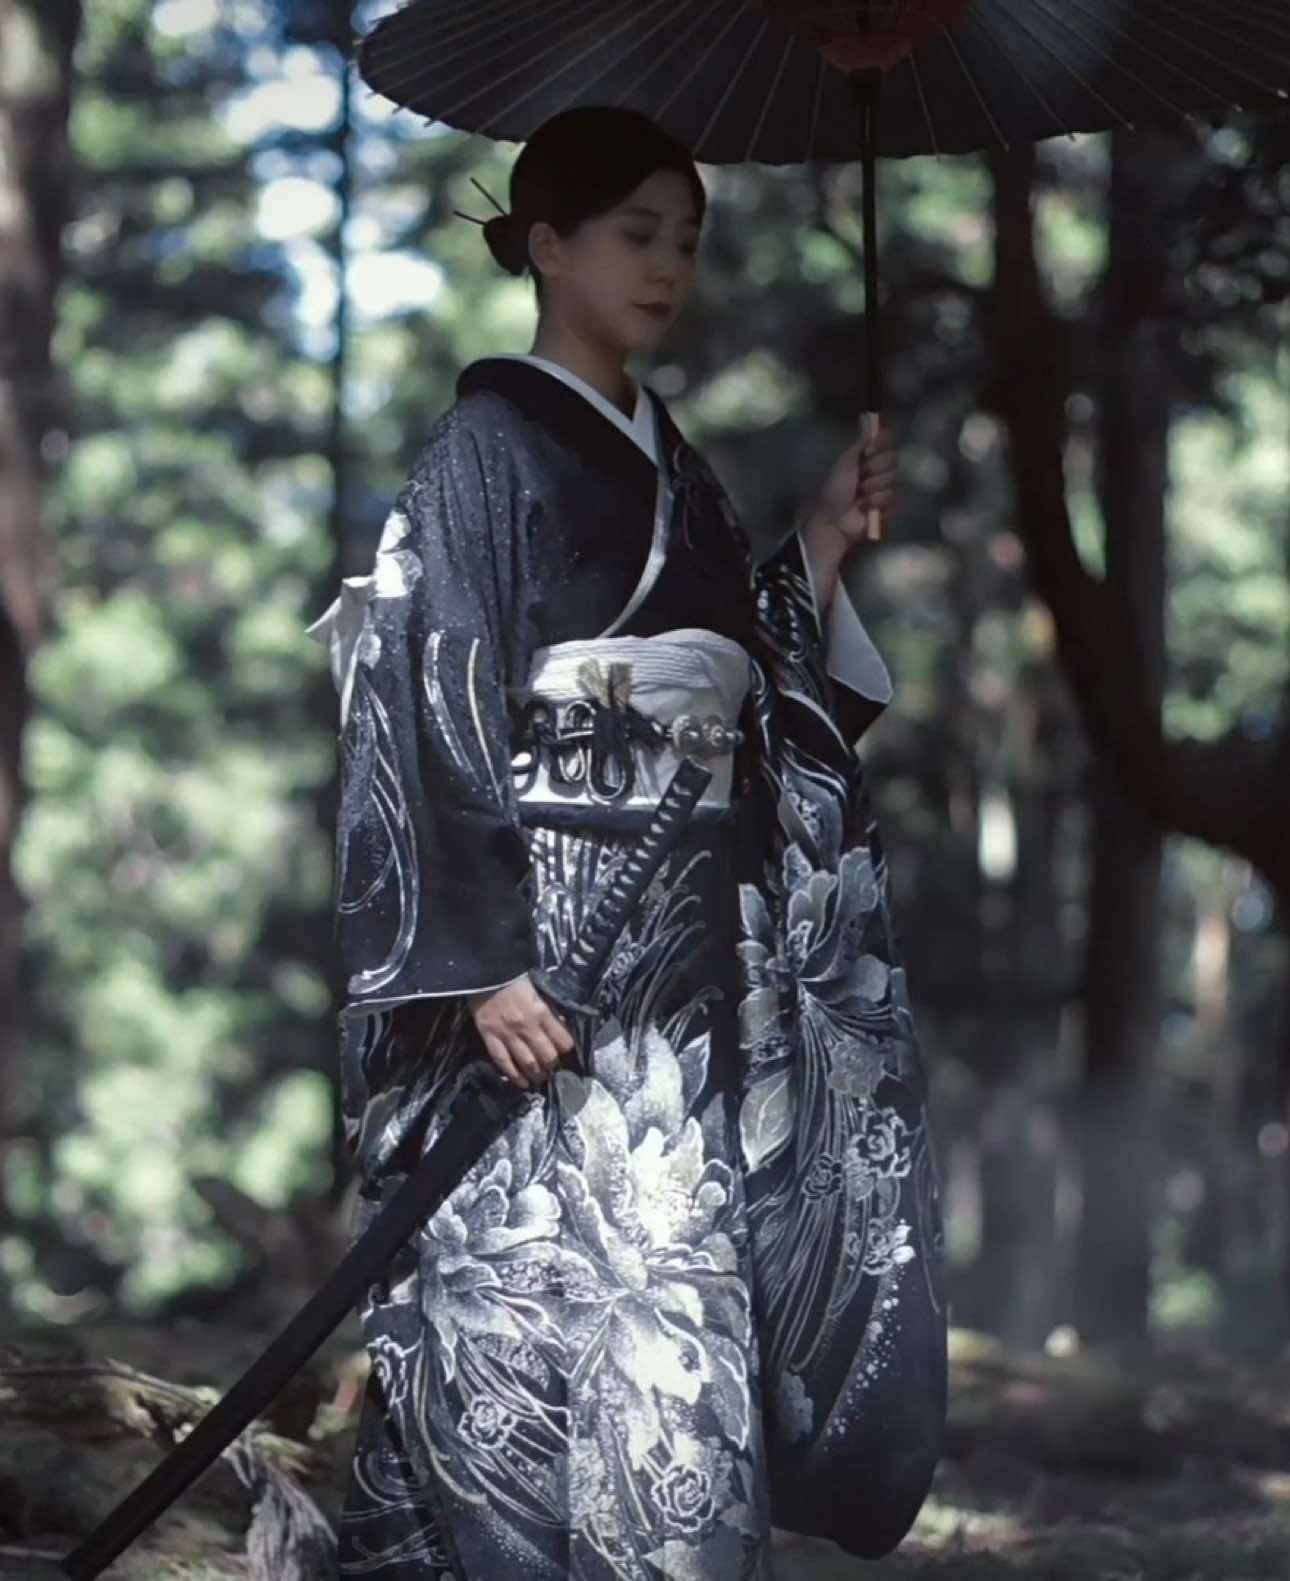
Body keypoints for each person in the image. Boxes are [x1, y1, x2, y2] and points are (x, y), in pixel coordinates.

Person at [307, 105, 946, 1581]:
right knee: (517, 1296)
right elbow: (424, 695)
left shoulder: (672, 464)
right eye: (635, 234)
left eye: (688, 240)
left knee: (671, 1285)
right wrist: (477, 965)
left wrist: (819, 548)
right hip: (535, 957)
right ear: (546, 245)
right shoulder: (483, 449)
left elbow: (736, 669)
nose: (669, 267)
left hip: (672, 965)